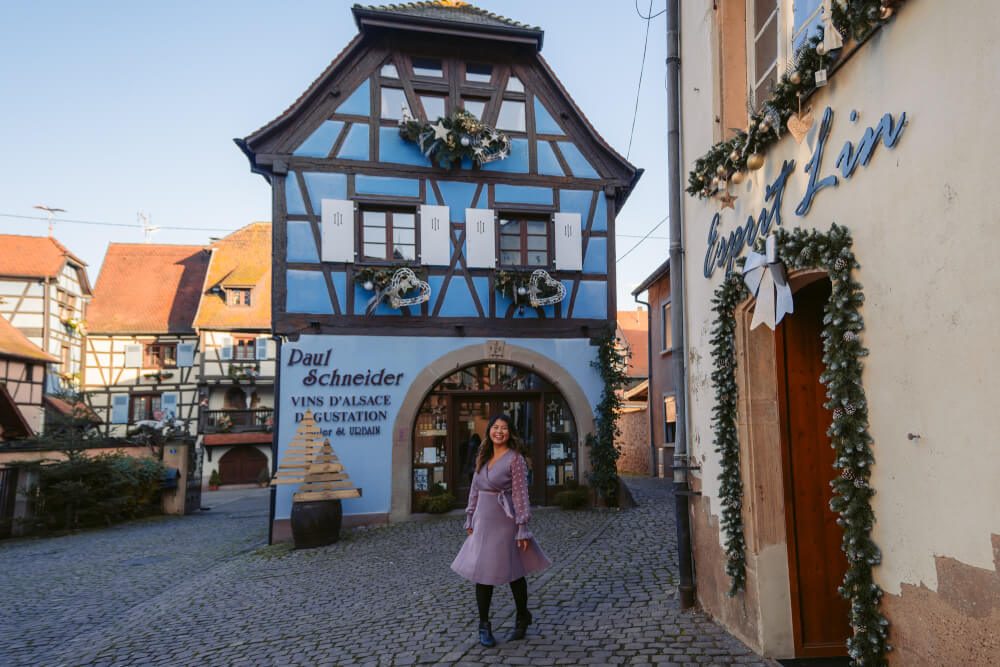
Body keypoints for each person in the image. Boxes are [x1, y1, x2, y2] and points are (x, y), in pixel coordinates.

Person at [451, 414, 551, 646]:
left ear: (510, 432)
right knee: (482, 574)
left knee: (514, 572)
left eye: (504, 428)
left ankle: (522, 617)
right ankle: (484, 625)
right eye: (495, 427)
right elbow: (474, 490)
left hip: (506, 522)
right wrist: (469, 516)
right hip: (483, 522)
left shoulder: (515, 459)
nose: (499, 431)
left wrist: (523, 527)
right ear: (489, 432)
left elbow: (521, 495)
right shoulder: (482, 457)